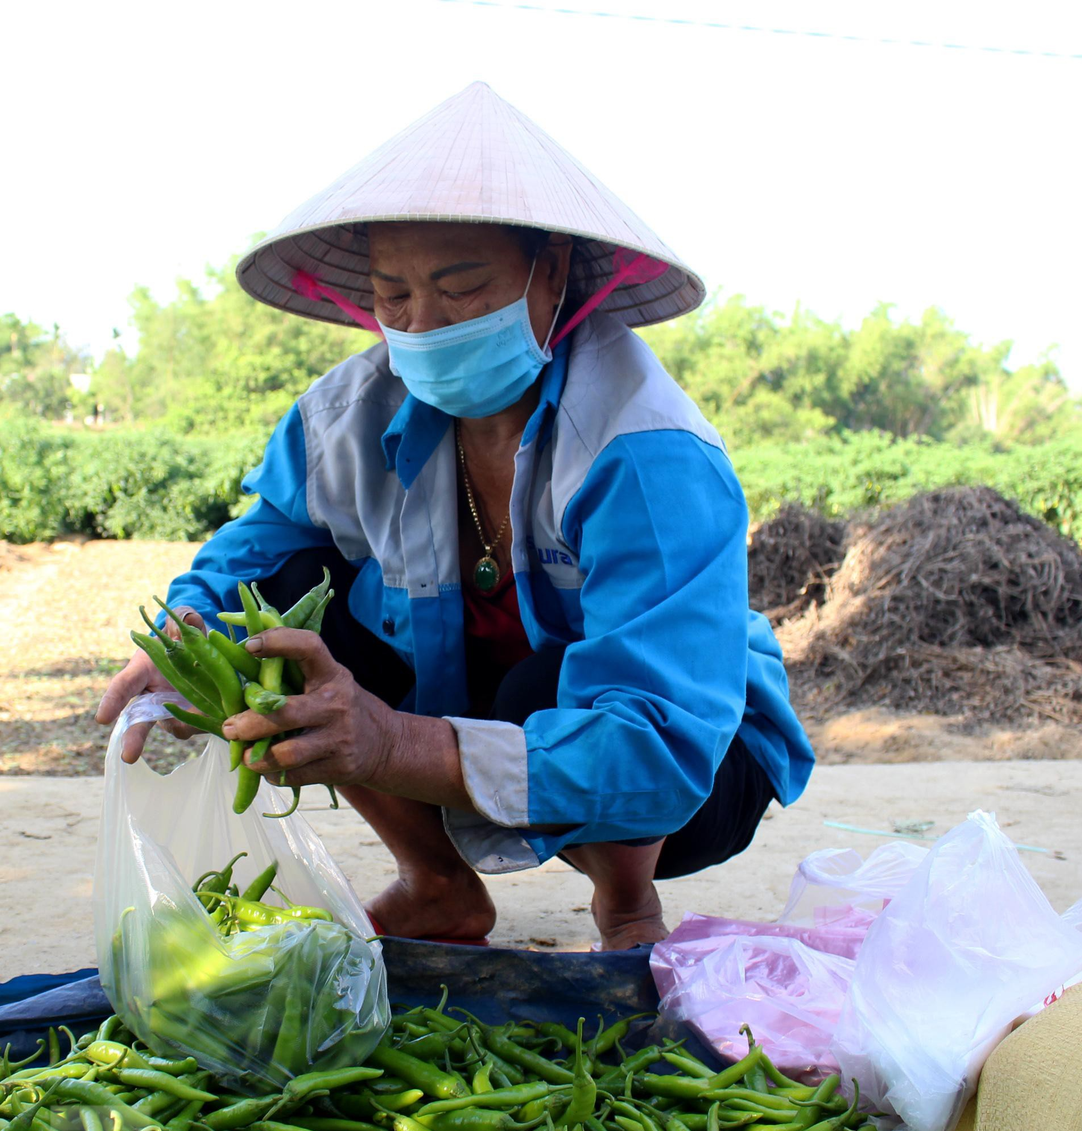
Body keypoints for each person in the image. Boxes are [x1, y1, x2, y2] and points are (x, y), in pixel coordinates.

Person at [97, 83, 813, 950]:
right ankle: (437, 883)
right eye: (393, 297)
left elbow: (657, 745)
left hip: (696, 767)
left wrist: (389, 741)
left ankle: (626, 904)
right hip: (466, 693)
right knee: (281, 603)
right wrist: (189, 631)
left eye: (462, 287)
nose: (423, 326)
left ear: (549, 274)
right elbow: (263, 541)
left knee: (546, 690)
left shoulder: (645, 450)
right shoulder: (350, 414)